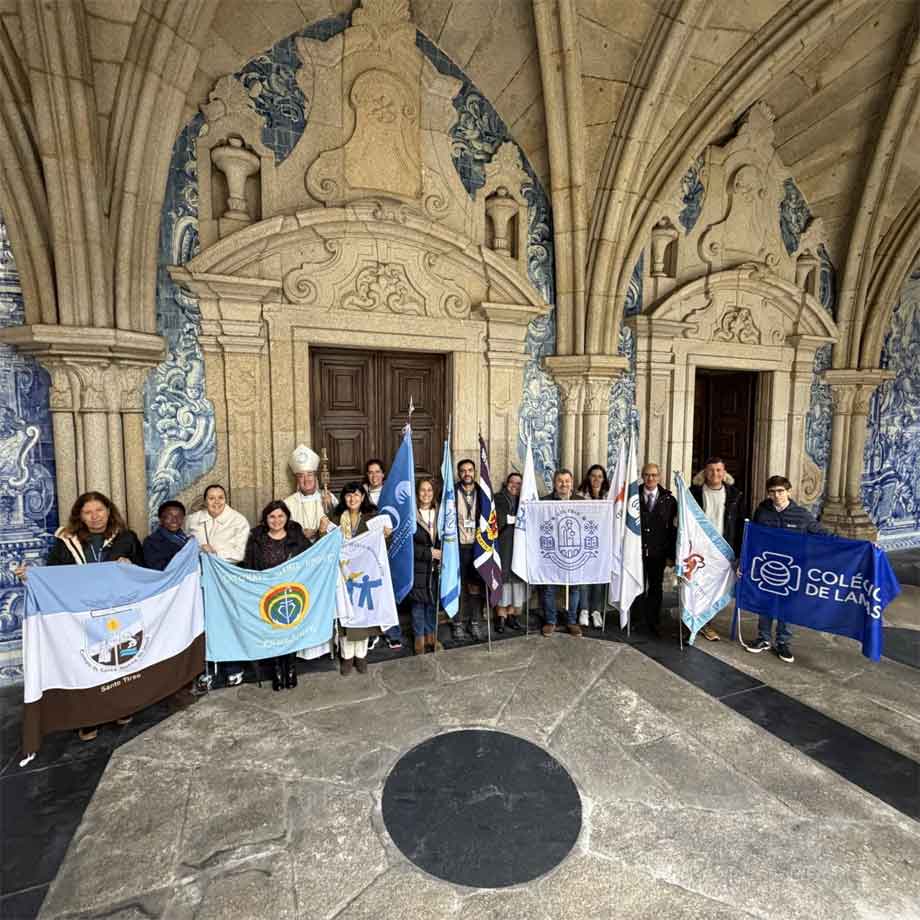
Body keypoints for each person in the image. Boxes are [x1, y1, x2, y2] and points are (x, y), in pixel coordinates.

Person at [21, 491, 143, 741]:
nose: (95, 516)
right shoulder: (67, 542)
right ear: (80, 516)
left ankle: (122, 706)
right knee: (88, 665)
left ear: (109, 511)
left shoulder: (127, 537)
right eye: (88, 512)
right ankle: (89, 717)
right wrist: (32, 577)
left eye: (99, 510)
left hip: (117, 611)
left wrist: (131, 566)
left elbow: (145, 572)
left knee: (119, 661)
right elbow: (52, 576)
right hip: (80, 614)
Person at [748, 475, 828, 663]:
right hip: (767, 566)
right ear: (768, 493)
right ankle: (764, 638)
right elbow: (753, 538)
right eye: (773, 492)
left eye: (781, 491)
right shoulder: (762, 512)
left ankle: (783, 642)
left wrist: (863, 546)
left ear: (788, 491)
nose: (777, 495)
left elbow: (824, 534)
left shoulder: (801, 514)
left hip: (792, 569)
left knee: (787, 606)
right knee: (765, 603)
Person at [241, 500, 310, 691]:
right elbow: (249, 565)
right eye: (272, 516)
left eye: (280, 515)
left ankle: (291, 668)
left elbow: (311, 558)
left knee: (291, 630)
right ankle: (278, 669)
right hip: (268, 594)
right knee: (274, 631)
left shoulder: (297, 536)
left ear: (287, 517)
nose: (276, 520)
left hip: (293, 592)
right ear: (265, 519)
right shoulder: (257, 539)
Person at [186, 484, 250, 688]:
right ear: (205, 500)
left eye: (220, 497)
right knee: (204, 623)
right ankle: (207, 668)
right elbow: (185, 543)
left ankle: (233, 667)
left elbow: (238, 552)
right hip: (200, 578)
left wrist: (213, 551)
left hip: (225, 578)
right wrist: (198, 548)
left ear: (226, 499)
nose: (216, 502)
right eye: (211, 498)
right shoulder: (193, 520)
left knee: (227, 622)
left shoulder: (238, 520)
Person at [319, 483, 381, 675]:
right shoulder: (335, 519)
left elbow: (382, 543)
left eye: (356, 495)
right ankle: (346, 657)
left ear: (363, 498)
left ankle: (361, 655)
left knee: (362, 615)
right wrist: (322, 530)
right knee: (345, 614)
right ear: (344, 499)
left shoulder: (372, 518)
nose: (352, 499)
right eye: (348, 496)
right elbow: (325, 543)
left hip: (364, 575)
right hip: (342, 575)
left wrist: (386, 534)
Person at [689, 457, 745, 641]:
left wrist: (739, 552)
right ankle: (697, 621)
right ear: (705, 472)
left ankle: (706, 621)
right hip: (700, 549)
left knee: (715, 589)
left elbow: (739, 525)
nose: (715, 474)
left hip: (722, 549)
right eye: (711, 470)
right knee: (697, 586)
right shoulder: (694, 493)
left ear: (724, 472)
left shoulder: (735, 495)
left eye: (719, 470)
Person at [631, 463, 677, 638]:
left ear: (659, 477)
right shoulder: (633, 496)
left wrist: (671, 555)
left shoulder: (669, 500)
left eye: (654, 475)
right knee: (637, 585)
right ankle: (636, 620)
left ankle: (653, 621)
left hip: (659, 553)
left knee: (656, 588)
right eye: (647, 475)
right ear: (642, 476)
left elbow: (673, 530)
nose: (650, 478)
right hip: (637, 552)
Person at [539, 470, 583, 638]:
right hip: (551, 553)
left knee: (574, 588)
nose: (563, 484)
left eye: (567, 481)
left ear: (572, 483)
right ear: (554, 482)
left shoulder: (582, 502)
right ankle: (550, 621)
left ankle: (572, 621)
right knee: (549, 588)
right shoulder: (544, 502)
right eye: (560, 481)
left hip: (574, 552)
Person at [409, 478, 442, 654]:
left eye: (429, 490)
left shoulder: (441, 513)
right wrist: (430, 553)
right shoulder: (410, 515)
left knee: (431, 604)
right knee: (418, 607)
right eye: (422, 490)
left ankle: (431, 637)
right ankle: (419, 641)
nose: (426, 494)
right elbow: (408, 546)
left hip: (434, 570)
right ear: (417, 493)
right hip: (417, 568)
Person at [453, 457, 485, 640]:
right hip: (457, 547)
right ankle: (457, 624)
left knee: (475, 587)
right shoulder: (450, 492)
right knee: (456, 587)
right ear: (459, 474)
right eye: (463, 470)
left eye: (470, 470)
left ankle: (475, 623)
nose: (467, 473)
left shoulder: (482, 494)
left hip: (477, 547)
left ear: (474, 472)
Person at [576, 464, 609, 629]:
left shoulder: (609, 497)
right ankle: (583, 609)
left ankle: (596, 611)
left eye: (600, 476)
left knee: (599, 578)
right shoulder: (579, 496)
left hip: (602, 544)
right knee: (584, 578)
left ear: (604, 479)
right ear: (588, 477)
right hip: (584, 544)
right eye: (593, 476)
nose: (596, 479)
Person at [284, 444, 335, 542]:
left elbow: (340, 525)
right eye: (301, 476)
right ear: (297, 479)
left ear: (316, 477)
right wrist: (299, 533)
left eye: (310, 475)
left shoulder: (328, 497)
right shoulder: (287, 503)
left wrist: (331, 506)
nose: (306, 480)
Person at [494, 472, 525, 632]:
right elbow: (494, 520)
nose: (515, 485)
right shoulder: (497, 498)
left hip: (519, 546)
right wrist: (507, 519)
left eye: (519, 483)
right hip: (503, 545)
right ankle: (501, 617)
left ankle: (512, 615)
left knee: (516, 581)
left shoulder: (524, 500)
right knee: (503, 580)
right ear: (506, 483)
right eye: (512, 482)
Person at [142, 500, 189, 571]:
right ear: (160, 519)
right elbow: (156, 569)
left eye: (179, 516)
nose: (174, 520)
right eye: (169, 516)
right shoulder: (151, 542)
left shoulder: (187, 539)